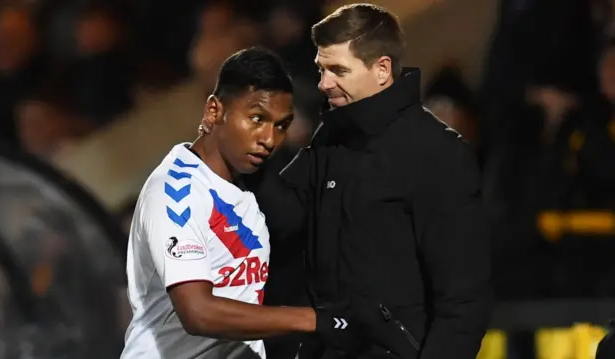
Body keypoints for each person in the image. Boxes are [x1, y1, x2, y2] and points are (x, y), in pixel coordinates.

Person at [200, 4, 493, 359]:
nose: (324, 83)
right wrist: (252, 157)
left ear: (382, 69)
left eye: (338, 70)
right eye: (321, 69)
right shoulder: (332, 137)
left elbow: (462, 300)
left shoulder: (437, 153)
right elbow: (286, 219)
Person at [120, 47, 355, 359]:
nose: (269, 138)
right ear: (214, 111)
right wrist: (315, 319)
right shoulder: (176, 191)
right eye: (256, 119)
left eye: (281, 125)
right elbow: (198, 312)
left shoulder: (246, 187)